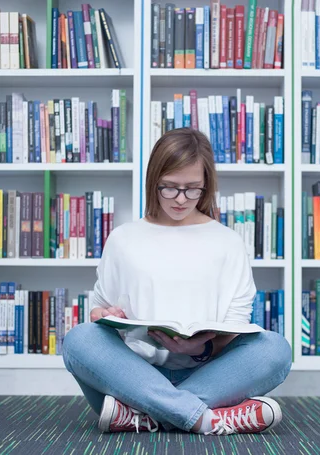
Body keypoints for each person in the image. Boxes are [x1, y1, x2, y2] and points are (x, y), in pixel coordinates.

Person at [62, 128, 292, 436]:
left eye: (192, 189)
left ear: (206, 186)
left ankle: (147, 416)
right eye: (169, 188)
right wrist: (106, 317)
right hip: (135, 377)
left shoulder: (228, 242)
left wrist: (202, 347)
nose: (181, 199)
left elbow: (236, 328)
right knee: (80, 340)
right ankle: (208, 420)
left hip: (209, 375)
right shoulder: (123, 239)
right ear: (153, 181)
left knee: (275, 349)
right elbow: (98, 311)